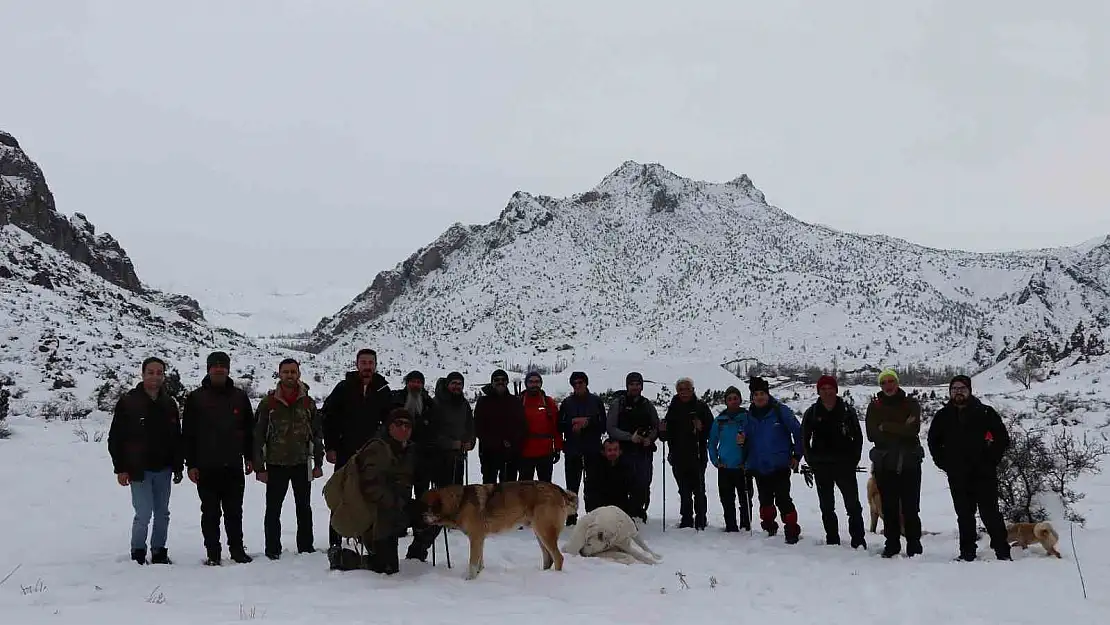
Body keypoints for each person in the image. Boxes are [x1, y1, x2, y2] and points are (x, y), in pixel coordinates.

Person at [107, 356, 183, 565]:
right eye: (151, 372)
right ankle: (138, 551)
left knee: (162, 513)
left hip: (164, 469)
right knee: (143, 512)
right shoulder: (128, 402)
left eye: (159, 373)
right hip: (138, 469)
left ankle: (159, 550)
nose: (155, 377)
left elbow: (176, 437)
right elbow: (116, 438)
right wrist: (120, 468)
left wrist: (178, 466)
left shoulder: (169, 404)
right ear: (142, 374)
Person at [182, 351, 255, 565]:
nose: (219, 368)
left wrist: (250, 457)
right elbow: (188, 433)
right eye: (215, 365)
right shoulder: (196, 398)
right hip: (206, 465)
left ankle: (237, 550)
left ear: (228, 368)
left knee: (234, 511)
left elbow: (249, 429)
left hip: (233, 464)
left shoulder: (239, 397)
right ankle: (213, 552)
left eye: (223, 365)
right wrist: (191, 463)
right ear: (208, 369)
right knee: (210, 512)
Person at [927, 375, 1012, 561]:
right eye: (954, 388)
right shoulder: (943, 416)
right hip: (958, 474)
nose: (958, 391)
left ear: (969, 390)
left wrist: (991, 460)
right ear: (950, 392)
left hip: (984, 473)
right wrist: (944, 463)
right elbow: (933, 442)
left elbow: (1002, 439)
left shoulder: (985, 413)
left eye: (962, 388)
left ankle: (1002, 552)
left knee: (990, 514)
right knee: (964, 515)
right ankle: (967, 553)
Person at [354, 408, 442, 573]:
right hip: (377, 515)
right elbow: (371, 489)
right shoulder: (377, 449)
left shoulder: (410, 450)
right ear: (389, 426)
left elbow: (418, 478)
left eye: (408, 425)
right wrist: (401, 504)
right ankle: (345, 558)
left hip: (399, 509)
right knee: (386, 568)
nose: (404, 428)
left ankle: (416, 555)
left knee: (436, 514)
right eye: (398, 424)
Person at [322, 348, 392, 550]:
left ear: (375, 365)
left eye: (371, 363)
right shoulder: (344, 387)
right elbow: (328, 417)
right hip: (345, 450)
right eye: (364, 363)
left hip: (372, 453)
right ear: (357, 364)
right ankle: (335, 540)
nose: (367, 367)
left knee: (370, 493)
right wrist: (331, 446)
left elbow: (390, 420)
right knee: (342, 494)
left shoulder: (382, 389)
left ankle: (367, 537)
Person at [254, 358, 324, 560]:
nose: (290, 375)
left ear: (299, 374)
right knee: (273, 509)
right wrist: (260, 467)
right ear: (279, 374)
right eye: (286, 372)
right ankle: (272, 549)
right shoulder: (269, 403)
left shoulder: (308, 402)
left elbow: (317, 433)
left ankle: (306, 548)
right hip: (276, 464)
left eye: (293, 372)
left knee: (304, 508)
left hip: (302, 463)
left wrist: (318, 463)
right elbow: (258, 435)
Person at [801, 375, 866, 548]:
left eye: (830, 388)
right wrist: (811, 461)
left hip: (844, 465)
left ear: (836, 390)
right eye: (823, 389)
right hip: (821, 467)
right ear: (818, 391)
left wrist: (854, 460)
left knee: (853, 506)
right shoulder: (812, 412)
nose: (827, 392)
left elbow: (858, 437)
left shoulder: (846, 411)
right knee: (827, 507)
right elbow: (804, 439)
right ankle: (832, 539)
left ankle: (858, 540)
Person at [865, 368, 924, 558]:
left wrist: (887, 426)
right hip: (885, 463)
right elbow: (872, 433)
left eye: (891, 381)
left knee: (911, 507)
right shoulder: (874, 406)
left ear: (897, 383)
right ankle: (892, 544)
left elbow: (913, 430)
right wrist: (902, 426)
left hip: (909, 462)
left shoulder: (911, 403)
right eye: (884, 382)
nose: (888, 385)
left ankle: (914, 545)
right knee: (889, 507)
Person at [742, 376, 804, 544]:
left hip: (780, 464)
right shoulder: (749, 416)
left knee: (783, 499)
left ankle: (791, 529)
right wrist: (742, 443)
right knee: (765, 500)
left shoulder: (780, 411)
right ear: (752, 397)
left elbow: (799, 432)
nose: (759, 397)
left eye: (762, 393)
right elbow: (745, 438)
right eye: (756, 394)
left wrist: (797, 455)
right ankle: (769, 526)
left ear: (767, 394)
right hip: (759, 466)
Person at [658, 377, 713, 529]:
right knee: (683, 490)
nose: (684, 392)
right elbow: (666, 435)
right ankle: (687, 518)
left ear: (692, 390)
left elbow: (711, 431)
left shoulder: (700, 407)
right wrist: (662, 431)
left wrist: (701, 428)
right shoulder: (673, 408)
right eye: (680, 389)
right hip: (677, 456)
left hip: (697, 454)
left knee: (699, 489)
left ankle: (701, 518)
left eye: (687, 389)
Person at [606, 372, 660, 523]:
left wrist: (650, 438)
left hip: (643, 451)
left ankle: (639, 511)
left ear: (642, 386)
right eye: (632, 384)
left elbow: (656, 426)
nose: (635, 387)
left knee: (643, 482)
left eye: (638, 384)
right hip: (623, 451)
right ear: (627, 385)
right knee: (623, 482)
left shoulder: (647, 405)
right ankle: (623, 512)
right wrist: (630, 437)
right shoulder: (619, 404)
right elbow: (611, 427)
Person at [558, 371, 607, 525]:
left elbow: (603, 425)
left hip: (592, 448)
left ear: (586, 383)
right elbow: (559, 425)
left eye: (580, 382)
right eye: (575, 383)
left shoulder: (596, 401)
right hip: (573, 449)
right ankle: (571, 518)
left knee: (592, 484)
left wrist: (588, 423)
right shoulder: (567, 403)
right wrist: (571, 424)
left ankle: (592, 515)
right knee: (572, 486)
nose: (578, 385)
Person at [708, 386, 753, 532]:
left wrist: (749, 461)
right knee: (727, 500)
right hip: (725, 467)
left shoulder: (748, 418)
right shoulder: (719, 421)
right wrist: (715, 460)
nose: (733, 401)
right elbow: (712, 442)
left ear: (740, 399)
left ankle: (746, 526)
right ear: (725, 401)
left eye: (735, 398)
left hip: (743, 466)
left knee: (745, 500)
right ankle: (731, 526)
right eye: (730, 399)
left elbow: (754, 440)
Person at [392, 370, 441, 501]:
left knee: (423, 496)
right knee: (400, 494)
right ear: (407, 383)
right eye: (412, 381)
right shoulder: (396, 400)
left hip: (423, 456)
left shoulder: (429, 403)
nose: (415, 385)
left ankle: (420, 521)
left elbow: (435, 429)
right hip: (400, 456)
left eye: (419, 382)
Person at [474, 369, 526, 484]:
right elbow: (478, 427)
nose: (500, 382)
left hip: (510, 452)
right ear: (492, 382)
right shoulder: (483, 401)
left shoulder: (514, 401)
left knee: (509, 489)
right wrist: (497, 442)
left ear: (507, 382)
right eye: (496, 380)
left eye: (503, 380)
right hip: (489, 452)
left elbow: (521, 425)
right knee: (489, 488)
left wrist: (512, 441)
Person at [431, 371, 475, 487]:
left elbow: (470, 426)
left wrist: (470, 442)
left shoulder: (464, 404)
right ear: (447, 384)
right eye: (454, 383)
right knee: (443, 494)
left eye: (460, 384)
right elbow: (432, 432)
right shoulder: (436, 403)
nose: (457, 386)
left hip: (459, 457)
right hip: (440, 458)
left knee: (458, 493)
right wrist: (450, 444)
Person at [517, 371, 562, 482]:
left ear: (541, 384)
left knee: (545, 488)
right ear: (526, 384)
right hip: (525, 452)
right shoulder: (519, 401)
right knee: (524, 489)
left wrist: (557, 447)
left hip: (545, 453)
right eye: (531, 382)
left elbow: (556, 427)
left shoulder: (548, 402)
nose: (534, 384)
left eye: (537, 382)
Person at [584, 438, 637, 519]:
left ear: (620, 451)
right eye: (609, 450)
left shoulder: (626, 467)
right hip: (600, 510)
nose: (612, 453)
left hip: (621, 510)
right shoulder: (595, 467)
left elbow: (633, 490)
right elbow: (590, 491)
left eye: (615, 450)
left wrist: (629, 512)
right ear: (603, 452)